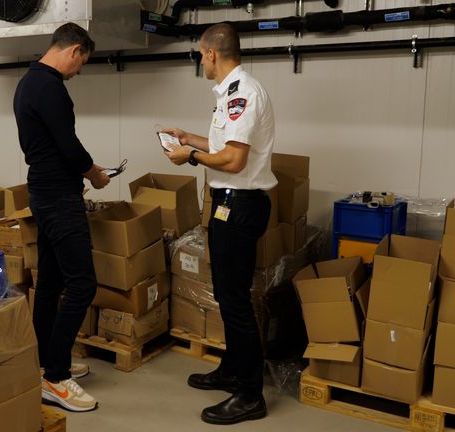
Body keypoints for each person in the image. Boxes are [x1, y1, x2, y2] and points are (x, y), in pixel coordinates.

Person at [161, 23, 277, 425]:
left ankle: (250, 395)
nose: (199, 60)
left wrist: (189, 158)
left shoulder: (242, 92)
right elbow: (222, 145)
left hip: (239, 207)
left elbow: (233, 160)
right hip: (230, 204)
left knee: (236, 301)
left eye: (199, 53)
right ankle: (232, 370)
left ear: (212, 53)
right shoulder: (230, 93)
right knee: (228, 296)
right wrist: (189, 139)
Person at [13, 22, 110, 412]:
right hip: (58, 198)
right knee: (83, 284)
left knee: (50, 282)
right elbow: (69, 148)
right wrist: (95, 174)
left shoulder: (27, 83)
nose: (79, 71)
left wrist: (82, 169)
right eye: (81, 63)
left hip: (43, 190)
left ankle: (45, 362)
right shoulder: (51, 87)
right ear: (73, 51)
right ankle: (55, 377)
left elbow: (55, 145)